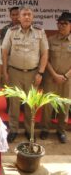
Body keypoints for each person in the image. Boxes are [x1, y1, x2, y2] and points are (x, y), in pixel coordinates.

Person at [2, 6, 49, 143]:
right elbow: (4, 52)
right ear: (19, 17)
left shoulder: (40, 32)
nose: (27, 17)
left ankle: (30, 130)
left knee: (30, 103)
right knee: (14, 103)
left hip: (33, 73)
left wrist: (40, 72)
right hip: (14, 72)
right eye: (24, 14)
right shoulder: (11, 32)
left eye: (29, 14)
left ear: (32, 17)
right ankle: (14, 129)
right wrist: (5, 71)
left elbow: (45, 53)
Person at [40, 12, 71, 143]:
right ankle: (45, 129)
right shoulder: (50, 40)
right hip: (50, 78)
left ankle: (61, 130)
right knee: (47, 106)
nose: (62, 26)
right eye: (60, 23)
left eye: (65, 23)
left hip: (67, 80)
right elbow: (45, 59)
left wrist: (65, 76)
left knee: (64, 105)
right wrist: (54, 75)